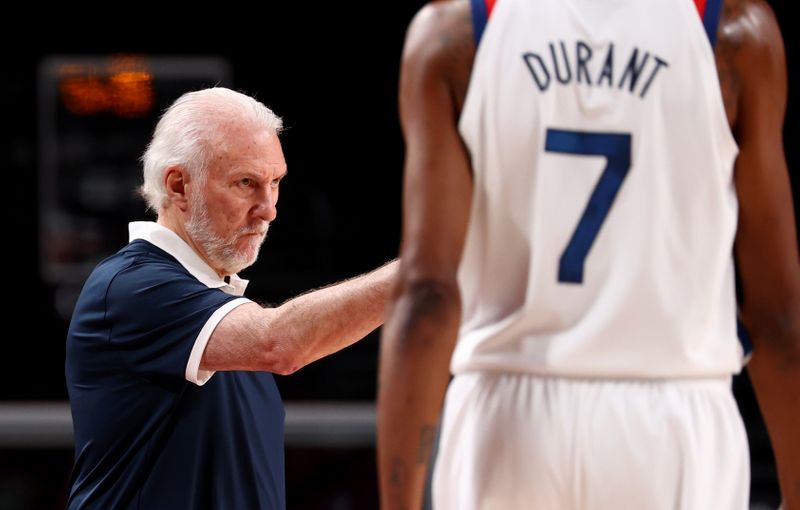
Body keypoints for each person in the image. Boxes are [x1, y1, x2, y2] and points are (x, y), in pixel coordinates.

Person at [377, 0, 799, 508]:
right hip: (675, 418)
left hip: (506, 417)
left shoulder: (453, 36)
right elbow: (778, 318)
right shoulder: (735, 32)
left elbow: (427, 295)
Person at [65, 87, 397, 509]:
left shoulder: (218, 307)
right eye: (246, 183)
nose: (269, 208)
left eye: (275, 182)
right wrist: (423, 270)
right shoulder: (130, 288)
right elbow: (279, 343)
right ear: (179, 185)